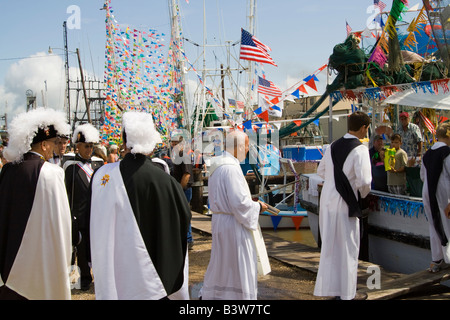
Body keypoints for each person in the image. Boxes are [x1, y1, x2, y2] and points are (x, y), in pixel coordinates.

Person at [89, 111, 191, 299]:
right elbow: (183, 219)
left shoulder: (103, 177)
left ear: (124, 142)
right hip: (159, 275)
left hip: (117, 273)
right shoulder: (167, 181)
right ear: (152, 144)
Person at [0, 107, 72, 300]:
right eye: (54, 142)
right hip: (38, 263)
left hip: (7, 261)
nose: (57, 146)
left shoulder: (8, 170)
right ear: (44, 145)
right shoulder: (51, 173)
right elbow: (61, 224)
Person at [200, 130, 269, 300]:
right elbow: (240, 204)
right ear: (238, 146)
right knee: (237, 263)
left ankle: (218, 294)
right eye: (246, 145)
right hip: (233, 224)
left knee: (222, 262)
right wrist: (258, 207)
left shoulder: (218, 164)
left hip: (221, 220)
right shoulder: (231, 168)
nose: (247, 149)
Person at [313, 111, 372, 300]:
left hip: (327, 200)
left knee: (330, 246)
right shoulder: (361, 149)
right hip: (346, 201)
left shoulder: (332, 146)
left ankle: (330, 290)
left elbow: (321, 170)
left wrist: (332, 181)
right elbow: (364, 181)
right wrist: (360, 195)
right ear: (363, 127)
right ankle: (347, 293)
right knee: (348, 247)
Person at [64, 123, 100, 291]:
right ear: (77, 146)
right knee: (82, 248)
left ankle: (100, 275)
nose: (89, 149)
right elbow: (67, 193)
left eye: (92, 146)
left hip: (96, 214)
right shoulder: (71, 167)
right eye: (86, 146)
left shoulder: (98, 166)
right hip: (80, 214)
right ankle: (85, 277)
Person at [420, 122, 450, 272]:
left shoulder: (427, 154)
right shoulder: (447, 152)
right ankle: (448, 257)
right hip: (444, 193)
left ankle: (437, 259)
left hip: (428, 192)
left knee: (434, 224)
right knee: (446, 224)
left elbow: (422, 176)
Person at [171, 135, 195, 250]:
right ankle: (186, 238)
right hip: (183, 189)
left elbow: (187, 174)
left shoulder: (183, 155)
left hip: (184, 189)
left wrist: (179, 189)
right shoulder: (179, 156)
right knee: (182, 213)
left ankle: (188, 239)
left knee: (184, 213)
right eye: (172, 144)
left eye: (175, 144)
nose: (173, 146)